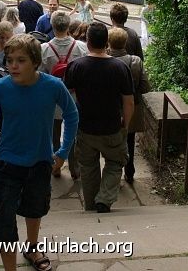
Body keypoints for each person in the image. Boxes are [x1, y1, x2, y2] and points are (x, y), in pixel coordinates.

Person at [0, 34, 79, 271]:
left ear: (35, 62)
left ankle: (33, 247)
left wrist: (63, 151)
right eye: (10, 59)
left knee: (35, 208)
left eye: (21, 60)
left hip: (40, 161)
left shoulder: (52, 86)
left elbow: (72, 113)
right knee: (4, 219)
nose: (13, 65)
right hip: (6, 163)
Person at [63, 23, 134, 213]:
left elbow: (65, 96)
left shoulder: (76, 66)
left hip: (85, 127)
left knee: (88, 167)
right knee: (116, 162)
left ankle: (91, 205)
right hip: (112, 126)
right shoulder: (120, 67)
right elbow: (128, 102)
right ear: (107, 42)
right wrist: (125, 125)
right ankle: (104, 198)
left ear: (87, 42)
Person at [40, 11, 88, 179]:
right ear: (68, 26)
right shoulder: (81, 48)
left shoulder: (44, 49)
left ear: (52, 26)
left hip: (52, 100)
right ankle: (74, 168)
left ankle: (55, 166)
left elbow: (40, 76)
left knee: (53, 134)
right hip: (74, 98)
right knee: (73, 132)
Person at [107, 27, 150, 185]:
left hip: (110, 107)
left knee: (110, 141)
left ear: (109, 42)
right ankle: (129, 171)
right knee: (129, 139)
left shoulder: (104, 60)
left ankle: (113, 173)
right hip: (131, 106)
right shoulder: (135, 61)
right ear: (125, 42)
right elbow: (145, 86)